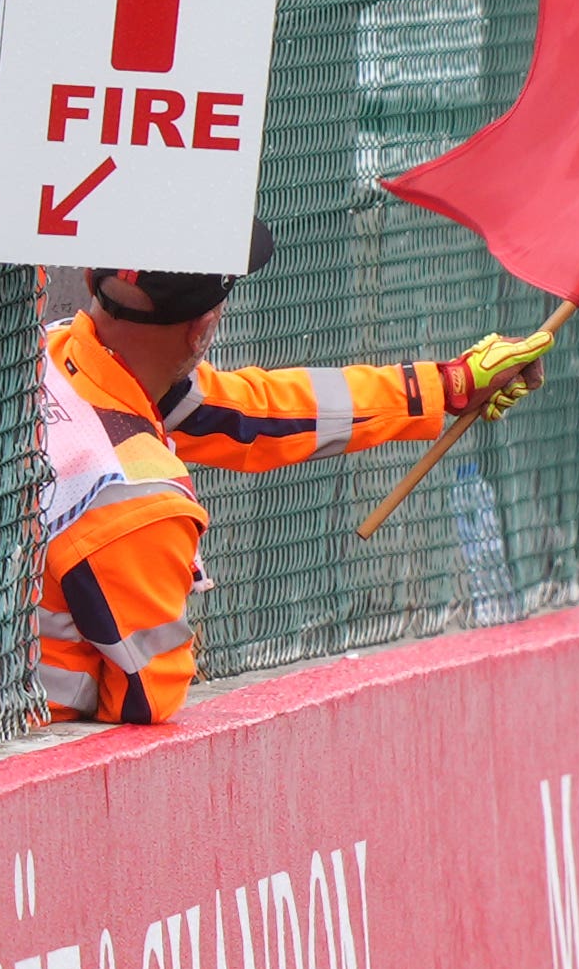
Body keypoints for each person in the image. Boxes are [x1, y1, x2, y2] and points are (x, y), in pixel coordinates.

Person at [33, 219, 551, 725]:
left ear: (89, 281)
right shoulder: (138, 498)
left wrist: (443, 387)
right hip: (35, 738)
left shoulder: (51, 355)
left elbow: (258, 413)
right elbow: (149, 697)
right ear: (202, 329)